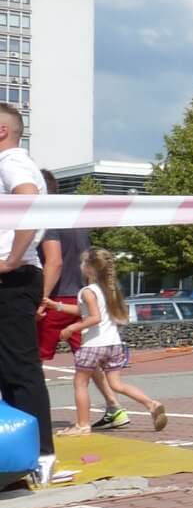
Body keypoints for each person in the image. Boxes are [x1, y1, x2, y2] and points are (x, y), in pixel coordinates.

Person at [34, 172, 128, 429]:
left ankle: (30, 411)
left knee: (31, 358)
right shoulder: (75, 220)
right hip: (79, 299)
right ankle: (114, 406)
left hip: (56, 299)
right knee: (88, 358)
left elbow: (54, 262)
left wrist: (41, 300)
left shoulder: (46, 218)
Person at [0, 102, 57, 486]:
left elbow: (29, 200)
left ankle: (40, 456)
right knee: (12, 369)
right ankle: (22, 455)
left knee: (20, 370)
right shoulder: (16, 162)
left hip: (13, 277)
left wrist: (11, 259)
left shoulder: (10, 162)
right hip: (17, 276)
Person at [58, 250, 167, 434]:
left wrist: (71, 329)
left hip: (93, 345)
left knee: (80, 383)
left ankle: (82, 425)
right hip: (113, 344)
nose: (80, 266)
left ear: (90, 269)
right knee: (116, 384)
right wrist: (58, 306)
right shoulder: (107, 289)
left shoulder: (87, 291)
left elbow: (94, 317)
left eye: (83, 263)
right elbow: (83, 310)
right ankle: (151, 404)